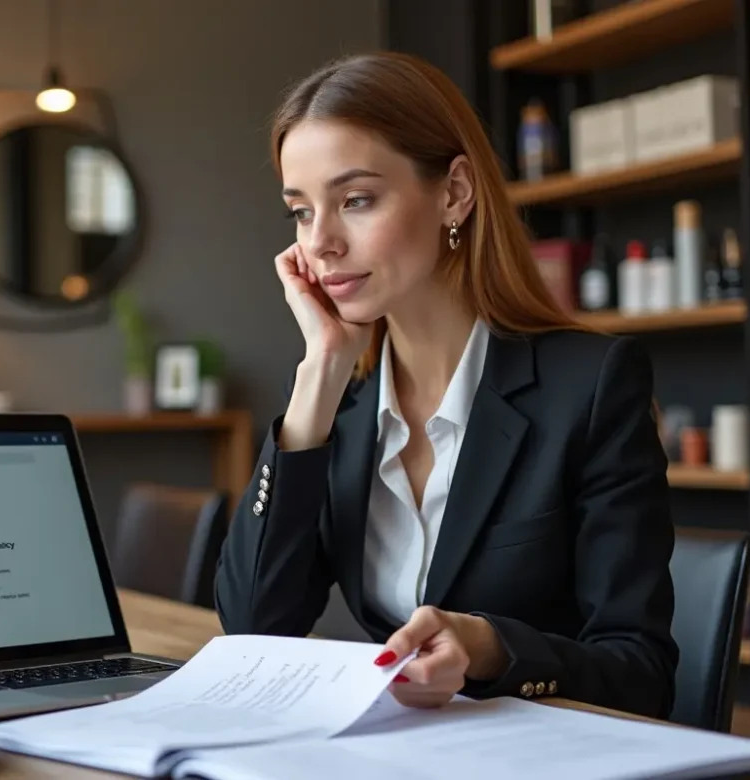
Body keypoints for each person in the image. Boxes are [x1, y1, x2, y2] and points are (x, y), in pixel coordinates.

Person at [213, 51, 678, 719]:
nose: (321, 243)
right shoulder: (340, 411)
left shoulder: (591, 386)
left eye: (356, 200)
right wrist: (317, 374)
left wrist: (494, 649)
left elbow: (642, 675)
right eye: (301, 211)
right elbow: (254, 628)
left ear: (454, 192)